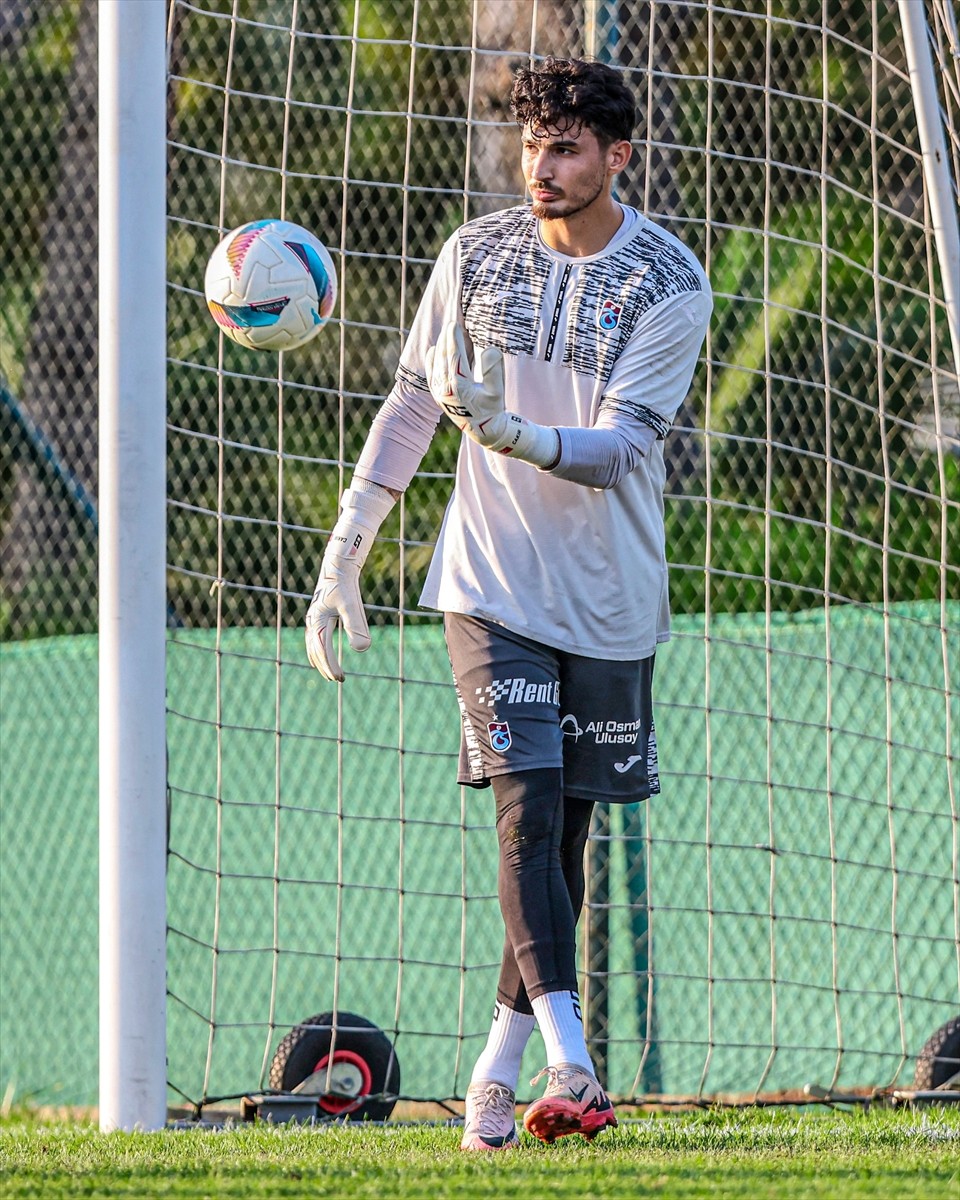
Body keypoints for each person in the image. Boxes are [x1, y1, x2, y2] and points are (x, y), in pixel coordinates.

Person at [305, 56, 712, 1149]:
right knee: (525, 813)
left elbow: (623, 448)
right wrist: (348, 544)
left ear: (617, 156)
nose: (543, 165)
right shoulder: (473, 253)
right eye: (533, 144)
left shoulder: (670, 281)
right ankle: (574, 1066)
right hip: (487, 584)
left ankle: (494, 1069)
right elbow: (409, 400)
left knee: (559, 842)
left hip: (610, 599)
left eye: (568, 146)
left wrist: (513, 432)